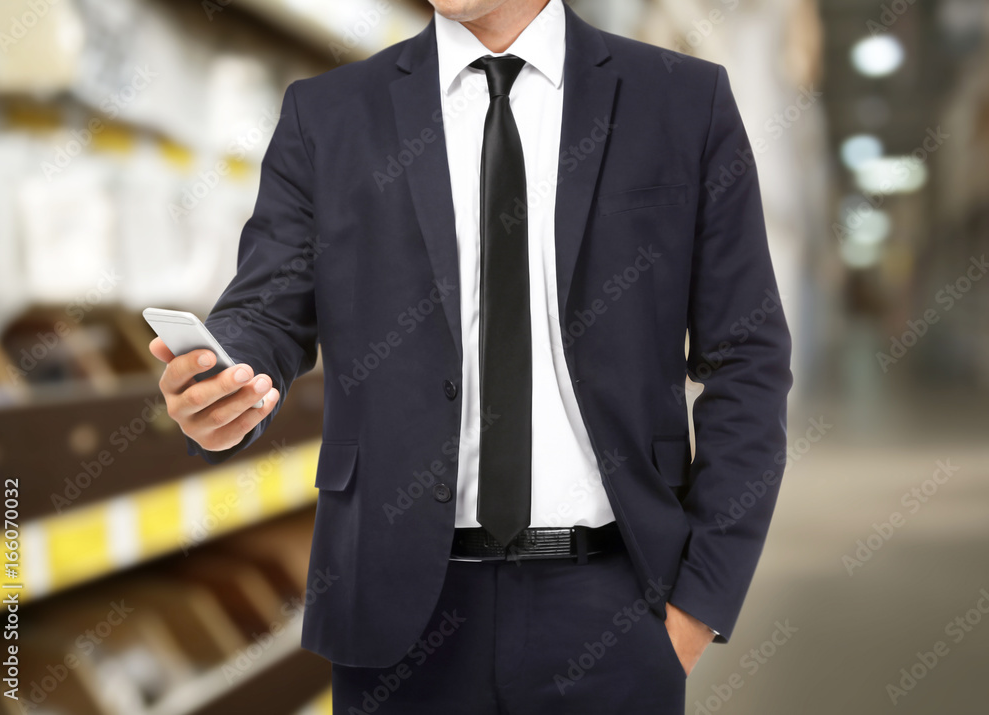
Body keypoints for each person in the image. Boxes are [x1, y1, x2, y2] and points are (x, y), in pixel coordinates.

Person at [149, 0, 793, 711]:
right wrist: (226, 378)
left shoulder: (681, 100)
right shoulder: (328, 115)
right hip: (397, 620)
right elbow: (265, 309)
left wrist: (699, 601)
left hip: (614, 606)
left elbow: (748, 358)